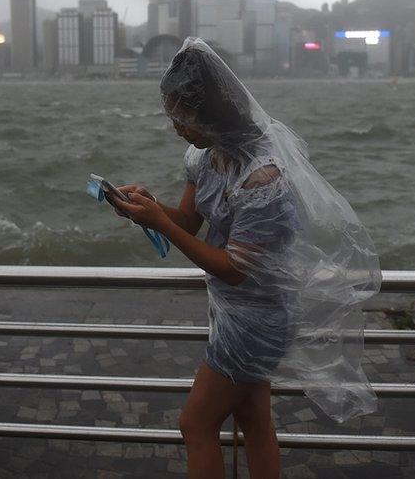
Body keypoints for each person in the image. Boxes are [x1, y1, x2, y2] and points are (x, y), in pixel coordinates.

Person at [111, 38, 380, 479]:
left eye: (183, 115)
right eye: (171, 114)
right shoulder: (205, 156)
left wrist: (162, 223)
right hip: (235, 312)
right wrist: (149, 207)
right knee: (254, 420)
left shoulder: (263, 178)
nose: (176, 125)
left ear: (213, 110)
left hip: (261, 320)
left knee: (195, 423)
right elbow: (189, 221)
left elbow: (235, 269)